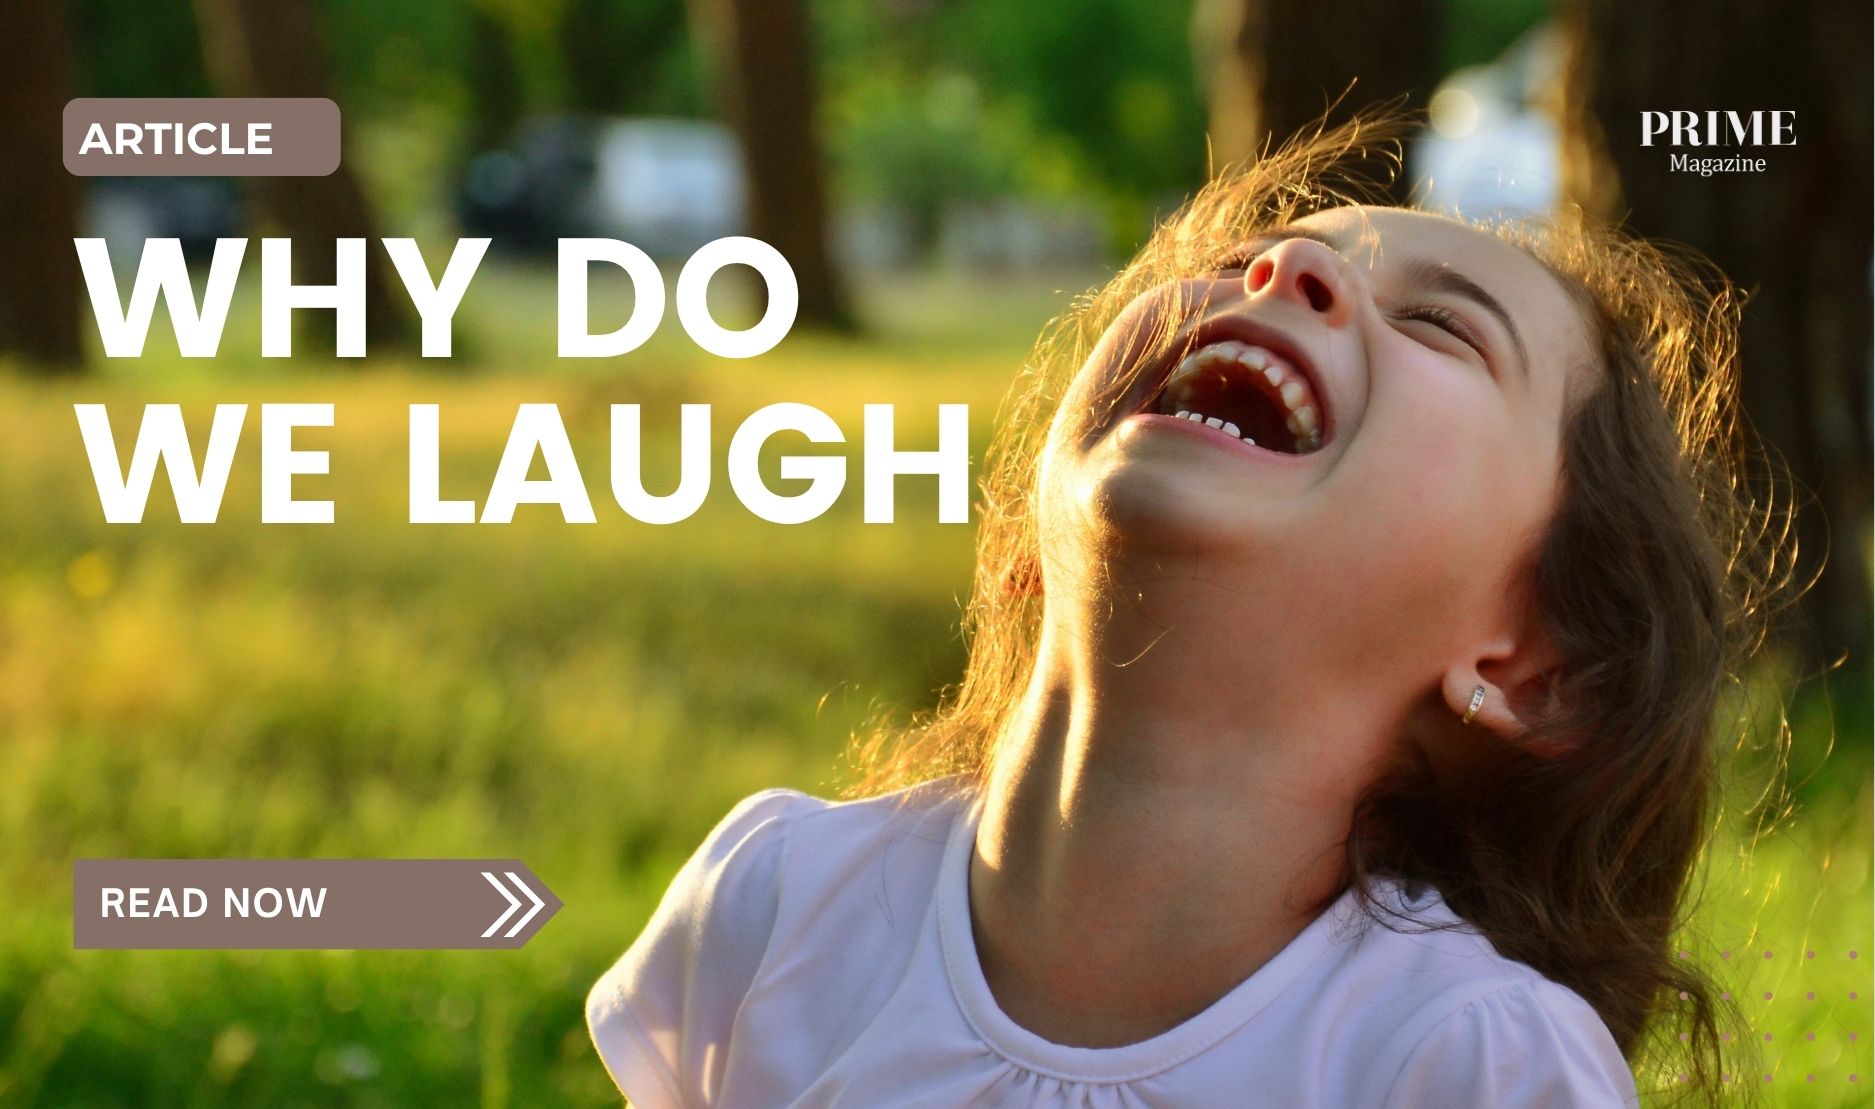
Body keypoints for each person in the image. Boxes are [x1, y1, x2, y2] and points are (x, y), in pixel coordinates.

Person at [586, 118, 1788, 1108]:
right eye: (1235, 262)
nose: (1277, 273)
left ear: (1532, 667)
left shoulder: (1465, 1061)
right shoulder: (776, 904)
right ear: (1023, 546)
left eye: (1439, 325)